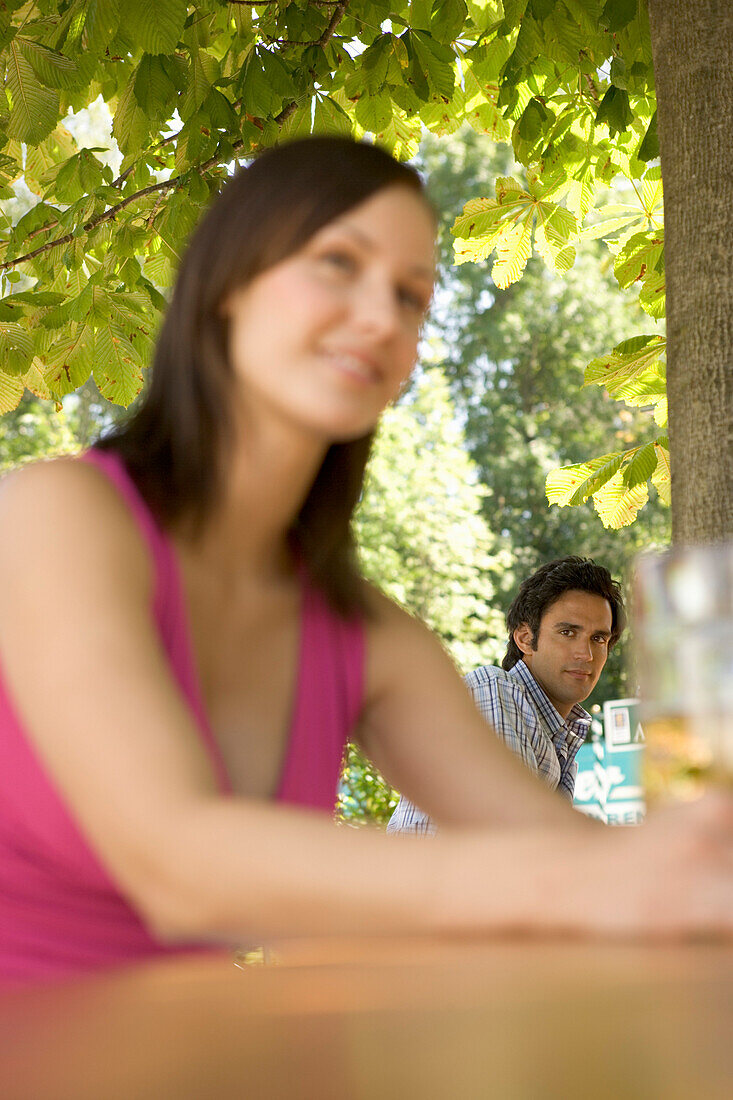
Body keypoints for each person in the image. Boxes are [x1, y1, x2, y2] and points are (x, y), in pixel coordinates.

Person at [0, 138, 730, 983]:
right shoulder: (57, 516)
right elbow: (176, 866)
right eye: (338, 263)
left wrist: (689, 869)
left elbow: (554, 844)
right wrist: (596, 884)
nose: (383, 317)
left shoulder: (360, 628)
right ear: (230, 287)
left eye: (412, 296)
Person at [388, 557, 623, 835]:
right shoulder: (496, 691)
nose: (586, 654)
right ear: (524, 638)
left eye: (599, 639)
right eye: (567, 632)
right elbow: (509, 840)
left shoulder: (558, 739)